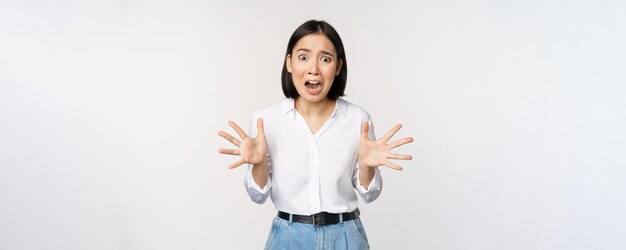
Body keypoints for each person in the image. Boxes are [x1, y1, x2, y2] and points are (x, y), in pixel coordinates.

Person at [218, 20, 413, 250]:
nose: (314, 69)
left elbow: (369, 195)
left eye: (325, 59)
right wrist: (259, 164)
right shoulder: (266, 120)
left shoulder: (358, 120)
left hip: (346, 236)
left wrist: (368, 167)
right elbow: (258, 196)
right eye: (303, 57)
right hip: (288, 237)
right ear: (289, 63)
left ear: (338, 67)